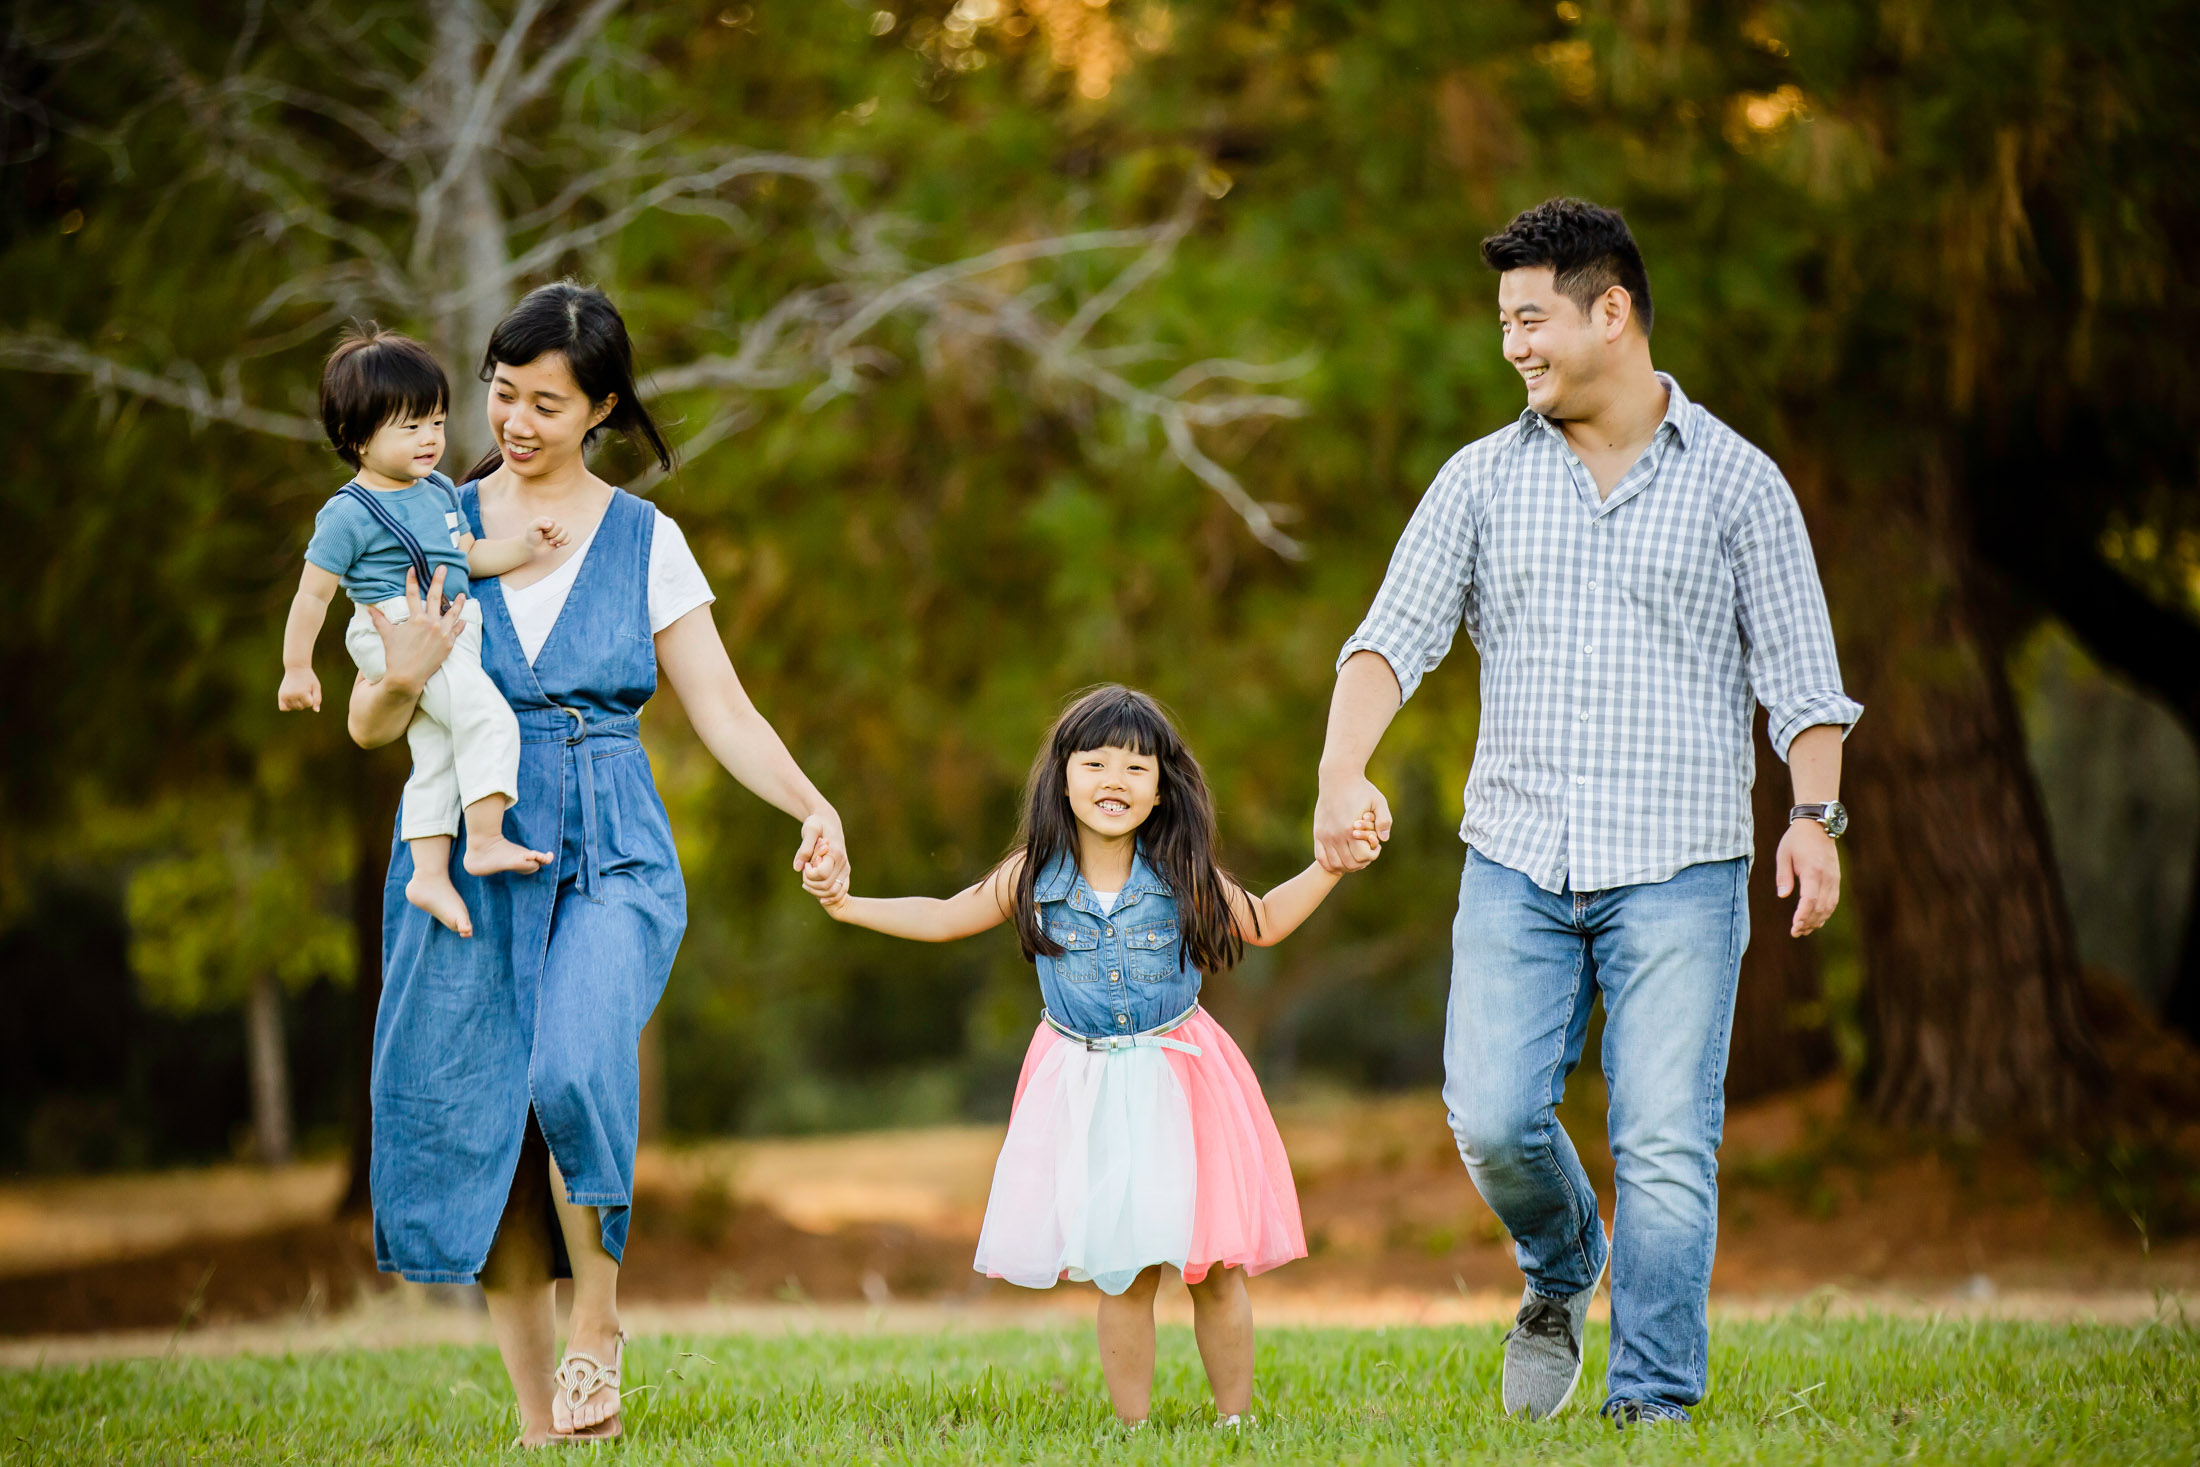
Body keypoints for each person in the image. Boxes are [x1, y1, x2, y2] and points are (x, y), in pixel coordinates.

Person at [1312, 198, 1861, 1427]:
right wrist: (1339, 769)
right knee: (1494, 1118)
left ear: (1609, 312)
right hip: (1517, 858)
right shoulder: (1480, 480)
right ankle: (1562, 1267)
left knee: (1666, 1145)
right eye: (1502, 321)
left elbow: (1801, 677)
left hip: (1682, 867)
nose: (1511, 344)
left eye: (1529, 318)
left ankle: (1652, 1406)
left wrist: (1813, 820)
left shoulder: (1737, 484)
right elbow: (1387, 640)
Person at [348, 282, 849, 1447]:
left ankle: (601, 1327)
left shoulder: (644, 539)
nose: (516, 421)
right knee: (491, 1129)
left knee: (577, 1062)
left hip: (612, 845)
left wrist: (810, 802)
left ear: (603, 407)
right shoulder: (424, 524)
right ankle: (543, 1424)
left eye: (546, 401)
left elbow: (723, 712)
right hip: (470, 859)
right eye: (502, 394)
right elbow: (370, 726)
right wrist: (401, 669)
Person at [803, 684, 1380, 1429]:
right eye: (1096, 761)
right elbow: (947, 916)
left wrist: (1334, 864)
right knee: (1125, 1270)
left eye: (1138, 767)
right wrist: (849, 905)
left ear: (1163, 787)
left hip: (1184, 1082)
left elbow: (1263, 920)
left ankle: (1236, 1420)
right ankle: (1132, 1427)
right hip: (1090, 1090)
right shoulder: (1032, 875)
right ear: (1063, 775)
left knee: (1214, 1266)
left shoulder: (1180, 871)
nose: (1115, 779)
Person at [279, 327, 571, 937]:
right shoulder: (348, 513)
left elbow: (466, 556)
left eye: (435, 422)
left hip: (451, 626)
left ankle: (428, 873)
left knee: (437, 753)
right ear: (355, 437)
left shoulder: (438, 489)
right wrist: (297, 667)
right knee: (488, 719)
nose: (430, 439)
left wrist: (522, 546)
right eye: (409, 426)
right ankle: (485, 839)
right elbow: (313, 594)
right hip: (398, 629)